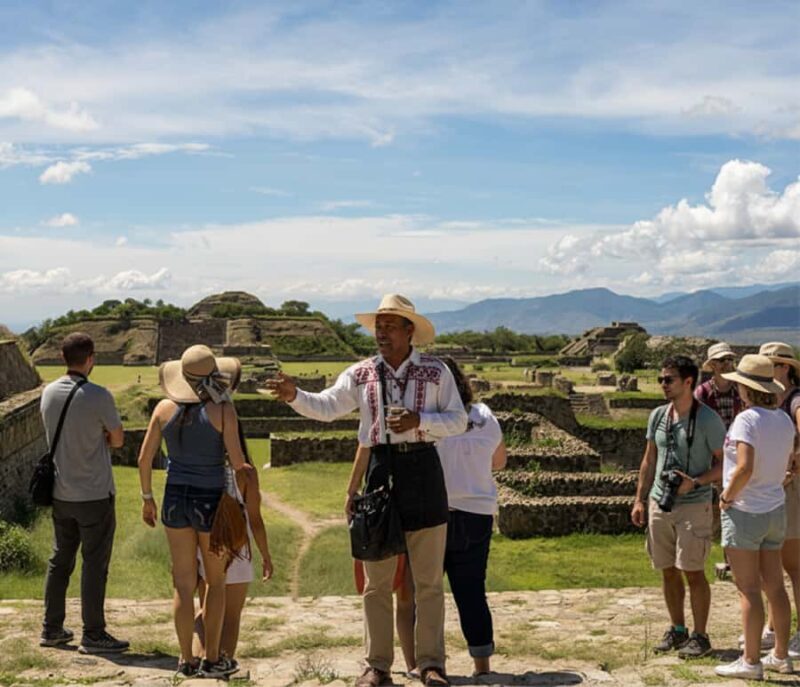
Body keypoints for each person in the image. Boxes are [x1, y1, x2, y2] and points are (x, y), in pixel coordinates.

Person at [267, 294, 467, 687]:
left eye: (391, 325)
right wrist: (294, 396)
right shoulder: (360, 374)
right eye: (379, 325)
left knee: (428, 580)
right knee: (376, 582)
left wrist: (419, 421)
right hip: (379, 471)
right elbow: (327, 406)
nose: (382, 332)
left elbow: (459, 420)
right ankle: (377, 665)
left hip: (423, 468)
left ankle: (431, 664)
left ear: (410, 330)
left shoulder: (435, 371)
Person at [137, 345, 254, 678]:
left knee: (183, 583)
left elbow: (144, 460)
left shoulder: (163, 408)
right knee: (215, 583)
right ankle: (213, 658)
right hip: (210, 499)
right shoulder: (222, 411)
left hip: (174, 498)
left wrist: (148, 498)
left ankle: (186, 658)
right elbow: (236, 461)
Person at [631, 355, 726, 658]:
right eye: (661, 379)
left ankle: (700, 635)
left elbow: (726, 464)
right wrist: (639, 499)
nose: (663, 385)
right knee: (667, 570)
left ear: (688, 382)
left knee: (694, 571)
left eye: (669, 379)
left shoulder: (708, 420)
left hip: (694, 505)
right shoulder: (658, 416)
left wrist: (696, 482)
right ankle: (678, 629)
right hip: (661, 502)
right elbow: (649, 459)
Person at [39, 332, 128, 654]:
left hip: (61, 492)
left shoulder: (48, 393)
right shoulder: (98, 395)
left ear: (63, 358)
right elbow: (117, 440)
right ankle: (93, 633)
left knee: (60, 560)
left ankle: (51, 628)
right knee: (94, 564)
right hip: (94, 493)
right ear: (90, 358)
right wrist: (100, 436)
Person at [714, 355, 797, 679]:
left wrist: (726, 496)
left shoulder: (746, 420)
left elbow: (745, 466)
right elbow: (787, 463)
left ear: (746, 388)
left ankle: (750, 660)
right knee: (775, 586)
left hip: (746, 509)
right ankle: (781, 654)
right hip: (775, 508)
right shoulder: (783, 420)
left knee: (747, 589)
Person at [437, 357, 507, 676]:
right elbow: (499, 462)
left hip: (434, 514)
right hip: (477, 514)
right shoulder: (484, 416)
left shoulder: (428, 419)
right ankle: (482, 664)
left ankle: (426, 663)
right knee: (472, 592)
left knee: (425, 593)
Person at [193, 433, 274, 673]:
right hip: (237, 547)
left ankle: (196, 658)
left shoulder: (200, 468)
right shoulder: (247, 473)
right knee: (231, 615)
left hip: (206, 544)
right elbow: (256, 520)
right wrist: (266, 556)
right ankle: (221, 662)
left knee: (205, 609)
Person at [347, 445, 417, 678]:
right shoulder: (374, 408)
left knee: (411, 588)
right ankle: (378, 663)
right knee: (377, 587)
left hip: (417, 486)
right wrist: (351, 491)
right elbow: (365, 442)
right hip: (380, 498)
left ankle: (417, 662)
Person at [759, 342, 800, 655]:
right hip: (776, 487)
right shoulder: (777, 401)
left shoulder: (796, 401)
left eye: (770, 364)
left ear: (785, 367)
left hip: (790, 488)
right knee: (771, 561)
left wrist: (792, 465)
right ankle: (774, 625)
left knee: (794, 564)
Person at [695, 342, 743, 430]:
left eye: (730, 359)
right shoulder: (703, 392)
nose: (727, 363)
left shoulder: (740, 389)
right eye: (722, 360)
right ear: (712, 365)